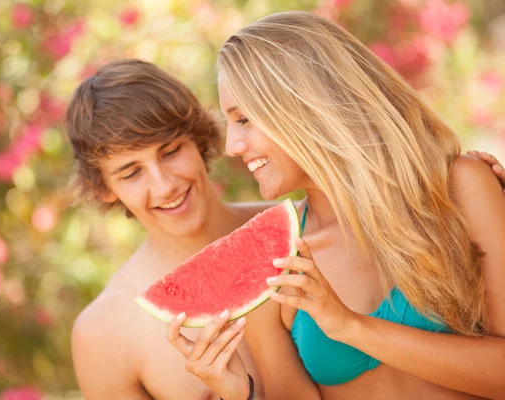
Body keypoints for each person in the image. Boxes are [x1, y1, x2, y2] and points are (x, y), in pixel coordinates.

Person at [166, 11, 505, 400]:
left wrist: (348, 327)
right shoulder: (273, 262)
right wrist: (239, 393)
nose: (232, 147)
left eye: (244, 119)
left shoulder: (461, 187)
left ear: (305, 108)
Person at [66, 59, 279, 400]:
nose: (164, 186)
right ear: (104, 188)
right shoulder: (103, 334)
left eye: (171, 151)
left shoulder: (304, 228)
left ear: (198, 140)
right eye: (131, 172)